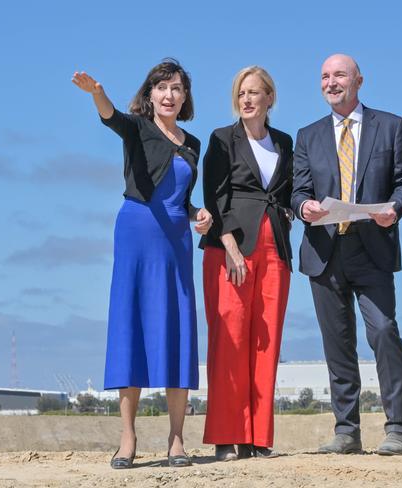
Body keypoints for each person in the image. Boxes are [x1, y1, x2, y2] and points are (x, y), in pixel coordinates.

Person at [71, 59, 213, 469]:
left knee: (177, 329)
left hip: (176, 240)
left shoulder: (194, 143)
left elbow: (183, 199)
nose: (170, 95)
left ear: (185, 97)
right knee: (130, 327)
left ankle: (176, 440)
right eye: (162, 87)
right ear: (149, 94)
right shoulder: (136, 127)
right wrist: (97, 93)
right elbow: (110, 117)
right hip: (135, 231)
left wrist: (198, 215)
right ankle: (127, 437)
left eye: (177, 89)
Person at [291, 54, 402, 455]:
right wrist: (303, 208)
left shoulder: (391, 126)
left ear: (359, 80)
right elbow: (298, 192)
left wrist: (394, 208)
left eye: (339, 75)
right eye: (324, 76)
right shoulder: (307, 135)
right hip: (324, 251)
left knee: (383, 331)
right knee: (337, 344)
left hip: (372, 248)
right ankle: (347, 431)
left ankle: (397, 427)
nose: (331, 82)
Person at [200, 66, 294, 461]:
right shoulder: (222, 139)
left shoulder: (285, 143)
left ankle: (257, 437)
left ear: (270, 98)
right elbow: (214, 194)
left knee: (266, 343)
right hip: (231, 251)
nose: (247, 99)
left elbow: (289, 191)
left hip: (277, 251)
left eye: (255, 92)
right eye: (242, 93)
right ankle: (226, 435)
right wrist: (230, 245)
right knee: (231, 343)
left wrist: (291, 212)